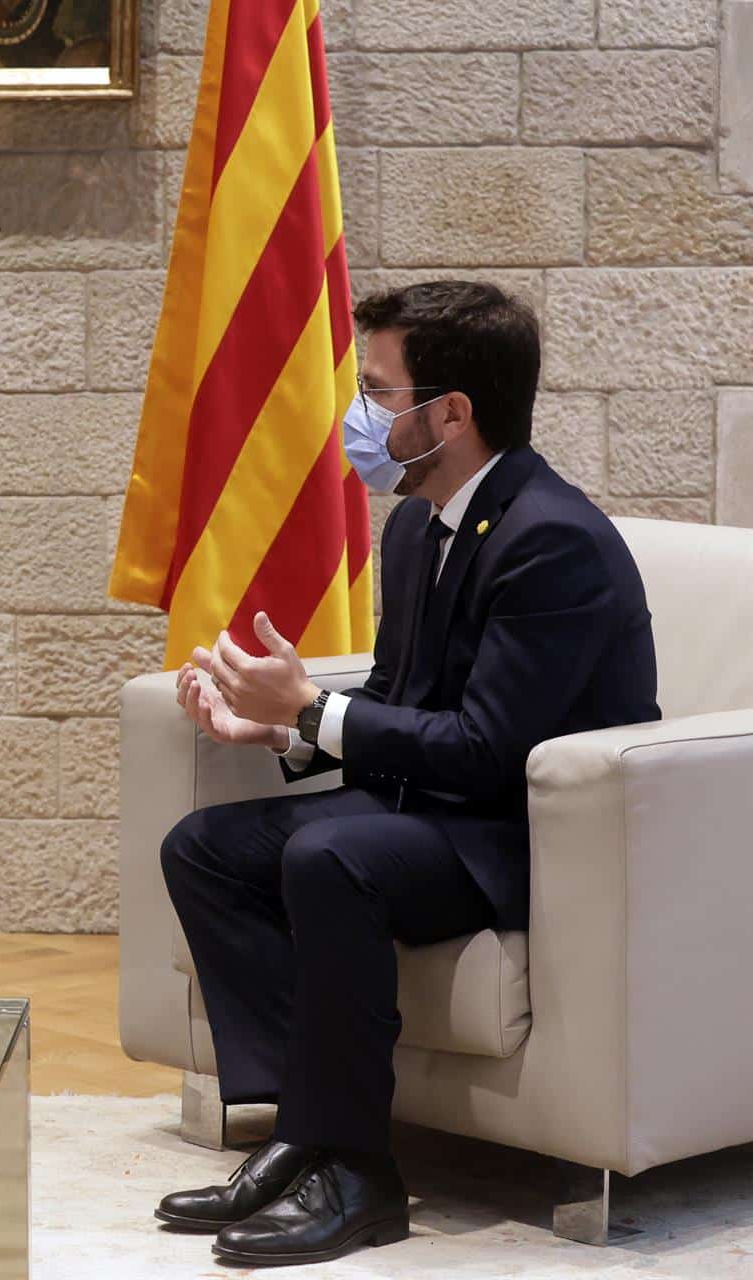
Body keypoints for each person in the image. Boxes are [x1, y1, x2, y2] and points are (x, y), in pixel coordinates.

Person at [153, 281, 659, 1266]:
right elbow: (396, 697)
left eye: (378, 392)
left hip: (519, 834)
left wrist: (307, 705)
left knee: (335, 854)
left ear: (452, 412)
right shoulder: (416, 525)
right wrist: (275, 731)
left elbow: (483, 748)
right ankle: (300, 1129)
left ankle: (360, 1173)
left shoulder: (550, 538)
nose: (359, 417)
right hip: (427, 811)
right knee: (205, 847)